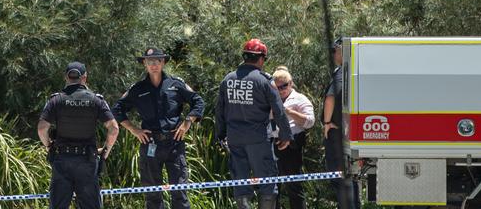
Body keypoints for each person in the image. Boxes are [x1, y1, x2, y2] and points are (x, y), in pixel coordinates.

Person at [113, 47, 206, 209]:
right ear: (144, 64)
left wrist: (187, 123)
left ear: (163, 62)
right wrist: (134, 129)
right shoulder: (138, 89)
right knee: (153, 195)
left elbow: (198, 102)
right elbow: (116, 109)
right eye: (149, 62)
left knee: (179, 192)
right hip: (150, 143)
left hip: (174, 143)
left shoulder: (176, 84)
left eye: (157, 61)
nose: (153, 65)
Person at [216, 39, 292, 209]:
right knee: (267, 180)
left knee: (241, 180)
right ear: (261, 59)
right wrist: (285, 135)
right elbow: (278, 110)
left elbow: (219, 111)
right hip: (258, 139)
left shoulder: (227, 79)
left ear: (245, 57)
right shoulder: (264, 80)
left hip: (234, 138)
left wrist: (220, 135)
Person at [38, 61, 120, 209]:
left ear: (66, 77)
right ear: (84, 78)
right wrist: (105, 152)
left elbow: (42, 128)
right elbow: (114, 128)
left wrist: (49, 145)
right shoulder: (96, 100)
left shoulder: (56, 100)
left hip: (62, 160)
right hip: (87, 161)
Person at [270, 67, 315, 209]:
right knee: (272, 188)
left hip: (292, 147)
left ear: (291, 83)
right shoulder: (270, 99)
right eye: (278, 87)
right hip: (273, 145)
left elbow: (310, 122)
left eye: (285, 85)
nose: (282, 89)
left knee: (294, 187)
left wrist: (289, 112)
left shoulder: (300, 99)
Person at [322, 39, 356, 209]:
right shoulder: (351, 71)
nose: (333, 55)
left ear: (342, 51)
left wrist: (327, 122)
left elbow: (330, 98)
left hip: (336, 133)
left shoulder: (342, 72)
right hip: (347, 131)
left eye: (334, 51)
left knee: (339, 178)